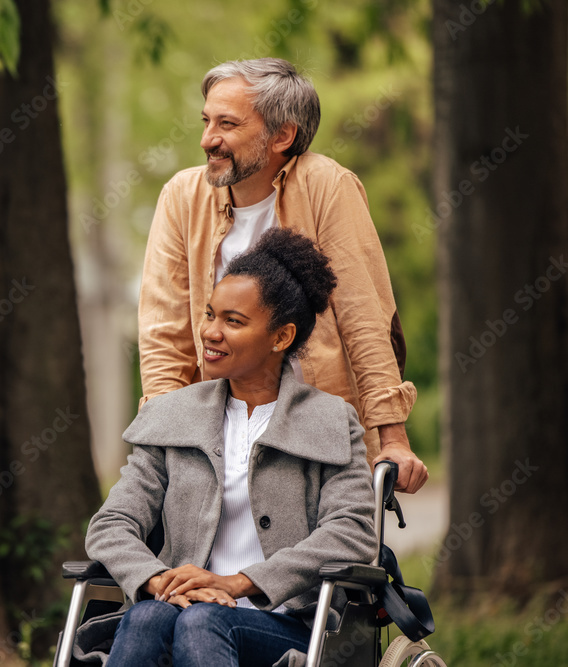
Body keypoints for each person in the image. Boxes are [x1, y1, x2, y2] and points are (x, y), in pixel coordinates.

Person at [80, 228, 378, 666]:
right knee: (149, 618)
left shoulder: (329, 420)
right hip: (175, 609)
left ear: (281, 337)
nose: (211, 333)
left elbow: (351, 531)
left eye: (233, 321)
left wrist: (238, 582)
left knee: (203, 621)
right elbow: (112, 524)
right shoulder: (172, 416)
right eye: (210, 315)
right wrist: (158, 580)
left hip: (287, 623)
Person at [138, 57, 428, 492]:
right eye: (206, 121)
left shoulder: (326, 185)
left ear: (282, 135)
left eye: (227, 125)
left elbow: (365, 320)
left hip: (317, 429)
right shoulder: (181, 197)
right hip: (218, 428)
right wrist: (159, 444)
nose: (207, 140)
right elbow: (166, 334)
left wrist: (393, 438)